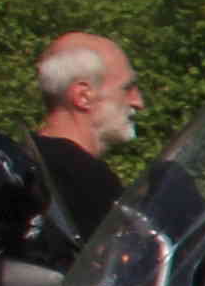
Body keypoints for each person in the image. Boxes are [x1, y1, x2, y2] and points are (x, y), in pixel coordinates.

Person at [25, 32, 144, 261]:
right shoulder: (84, 177)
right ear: (83, 96)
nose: (138, 102)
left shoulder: (27, 161)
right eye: (127, 88)